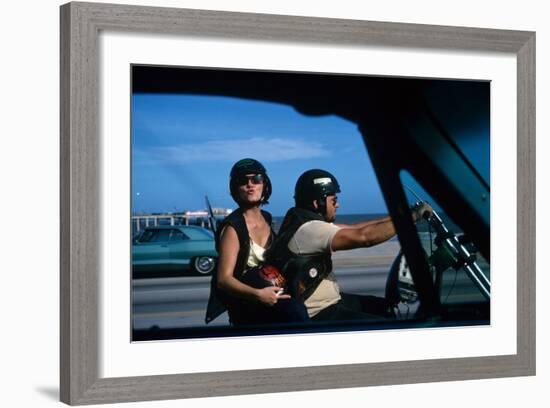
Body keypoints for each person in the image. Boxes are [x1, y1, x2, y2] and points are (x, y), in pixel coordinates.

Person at [265, 169, 432, 322]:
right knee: (384, 325)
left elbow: (357, 228)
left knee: (384, 306)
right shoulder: (311, 230)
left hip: (331, 301)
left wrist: (403, 214)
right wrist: (412, 218)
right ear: (318, 203)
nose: (337, 205)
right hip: (319, 312)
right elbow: (365, 237)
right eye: (333, 200)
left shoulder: (303, 222)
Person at [204, 158, 309, 325]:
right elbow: (224, 280)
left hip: (274, 297)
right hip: (249, 306)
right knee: (296, 313)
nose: (250, 184)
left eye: (256, 179)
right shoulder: (233, 228)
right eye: (242, 181)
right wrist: (258, 294)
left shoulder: (267, 219)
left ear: (265, 185)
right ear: (235, 189)